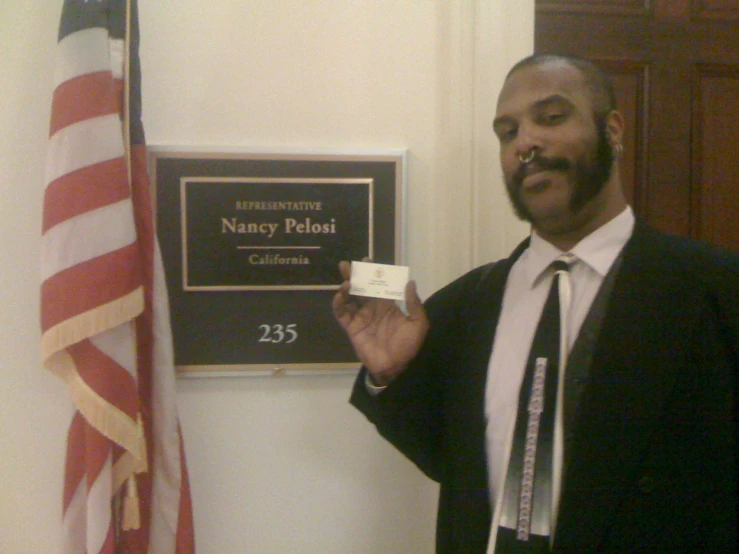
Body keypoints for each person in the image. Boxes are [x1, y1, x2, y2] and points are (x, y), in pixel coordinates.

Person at [332, 54, 738, 553]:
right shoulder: (465, 305)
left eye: (551, 117)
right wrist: (394, 375)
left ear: (612, 128)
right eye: (507, 132)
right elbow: (455, 465)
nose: (525, 143)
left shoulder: (714, 289)